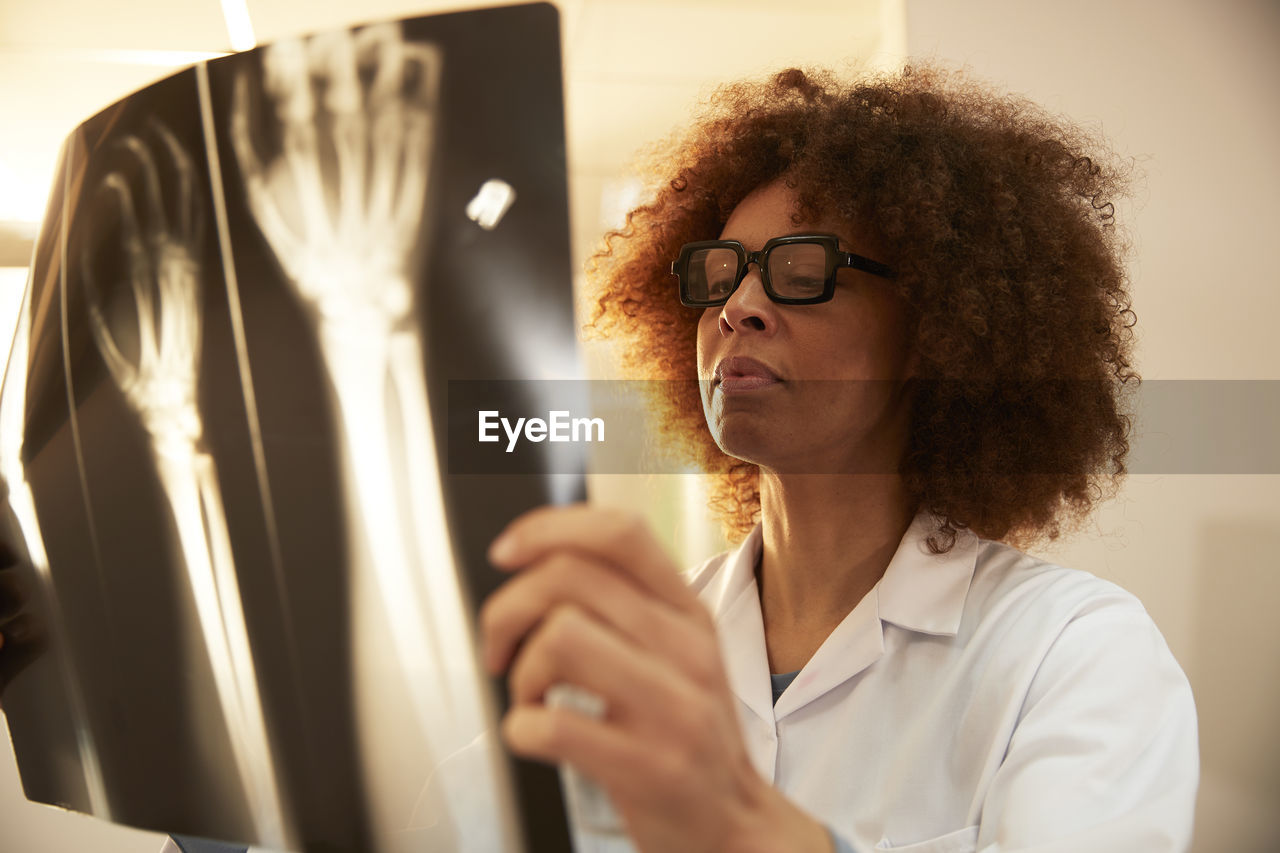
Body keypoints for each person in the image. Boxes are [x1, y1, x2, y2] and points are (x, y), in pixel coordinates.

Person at [479, 65, 1198, 852]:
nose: (739, 307)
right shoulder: (626, 644)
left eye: (802, 270)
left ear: (934, 329)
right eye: (722, 271)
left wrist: (741, 822)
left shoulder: (1072, 649)